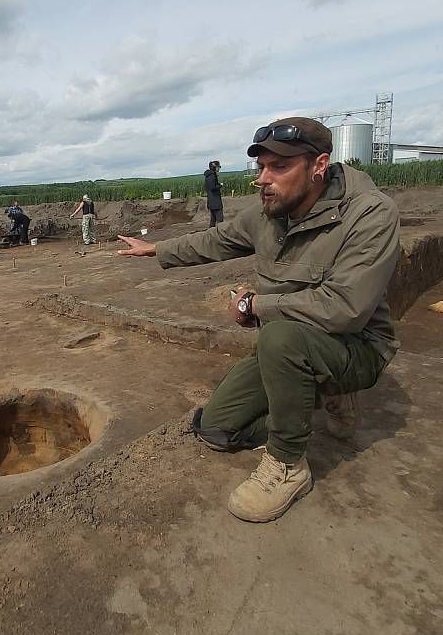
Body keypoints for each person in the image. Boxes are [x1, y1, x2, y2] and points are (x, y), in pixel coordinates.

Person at [117, 117, 400, 523]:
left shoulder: (369, 215)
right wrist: (156, 249)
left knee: (281, 338)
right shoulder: (269, 212)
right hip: (289, 349)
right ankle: (320, 398)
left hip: (356, 348)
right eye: (261, 167)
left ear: (318, 165)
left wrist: (255, 305)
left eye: (279, 167)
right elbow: (216, 239)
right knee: (215, 428)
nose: (263, 179)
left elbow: (344, 308)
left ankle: (288, 463)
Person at [204, 160, 224, 227]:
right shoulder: (212, 176)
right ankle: (220, 234)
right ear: (215, 167)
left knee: (213, 220)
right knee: (220, 220)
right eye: (219, 167)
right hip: (216, 202)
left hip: (211, 201)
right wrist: (220, 185)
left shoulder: (208, 175)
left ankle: (211, 234)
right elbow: (212, 187)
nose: (219, 169)